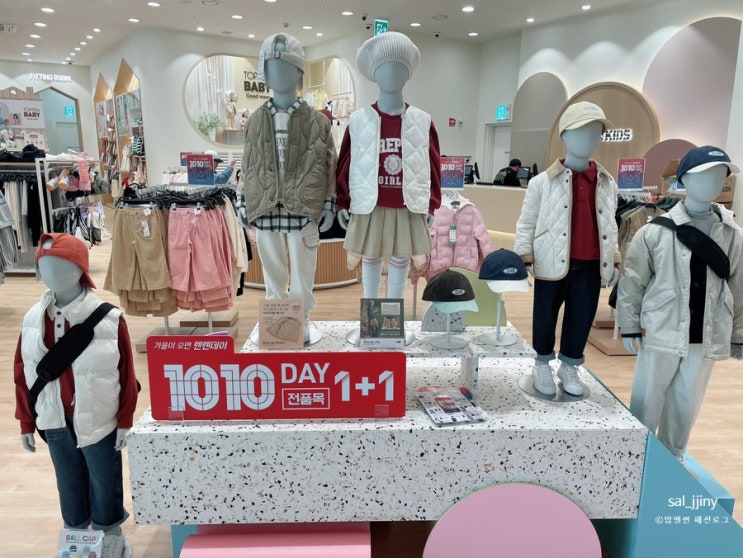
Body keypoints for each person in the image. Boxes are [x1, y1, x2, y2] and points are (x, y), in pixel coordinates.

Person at [13, 233, 138, 558]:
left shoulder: (109, 319)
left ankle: (110, 532)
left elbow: (127, 374)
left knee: (104, 478)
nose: (51, 273)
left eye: (61, 265)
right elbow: (23, 373)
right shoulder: (32, 319)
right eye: (45, 265)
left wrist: (125, 420)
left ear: (80, 267)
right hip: (54, 418)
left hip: (99, 417)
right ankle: (76, 535)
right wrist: (26, 421)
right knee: (67, 480)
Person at [617, 145, 743, 461]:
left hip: (708, 331)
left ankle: (673, 456)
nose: (713, 182)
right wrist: (629, 325)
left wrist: (738, 334)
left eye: (720, 175)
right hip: (661, 328)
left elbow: (739, 286)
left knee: (687, 400)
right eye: (704, 175)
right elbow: (633, 282)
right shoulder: (654, 232)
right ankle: (637, 454)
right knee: (648, 395)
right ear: (684, 179)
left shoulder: (733, 234)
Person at [514, 101, 620, 397]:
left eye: (596, 132)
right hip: (551, 259)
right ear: (565, 135)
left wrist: (614, 258)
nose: (590, 138)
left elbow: (610, 223)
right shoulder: (541, 182)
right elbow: (527, 221)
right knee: (545, 314)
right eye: (581, 131)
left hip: (592, 262)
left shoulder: (607, 182)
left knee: (582, 315)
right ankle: (542, 362)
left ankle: (570, 364)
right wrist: (524, 256)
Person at [242, 33, 337, 343]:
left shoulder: (318, 122)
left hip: (304, 205)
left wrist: (329, 202)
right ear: (264, 73)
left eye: (285, 67)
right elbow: (249, 163)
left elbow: (329, 165)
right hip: (266, 204)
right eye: (271, 67)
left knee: (303, 270)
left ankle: (302, 318)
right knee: (272, 271)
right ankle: (277, 321)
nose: (278, 74)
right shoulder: (255, 120)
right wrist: (243, 200)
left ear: (299, 72)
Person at [336, 31, 441, 300]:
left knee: (401, 259)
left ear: (408, 73)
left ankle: (395, 311)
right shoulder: (359, 120)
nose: (392, 74)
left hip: (407, 203)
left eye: (399, 67)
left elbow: (432, 164)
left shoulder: (422, 120)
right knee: (369, 257)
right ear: (374, 73)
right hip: (369, 202)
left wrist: (431, 203)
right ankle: (370, 311)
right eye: (385, 67)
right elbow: (345, 162)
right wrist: (342, 201)